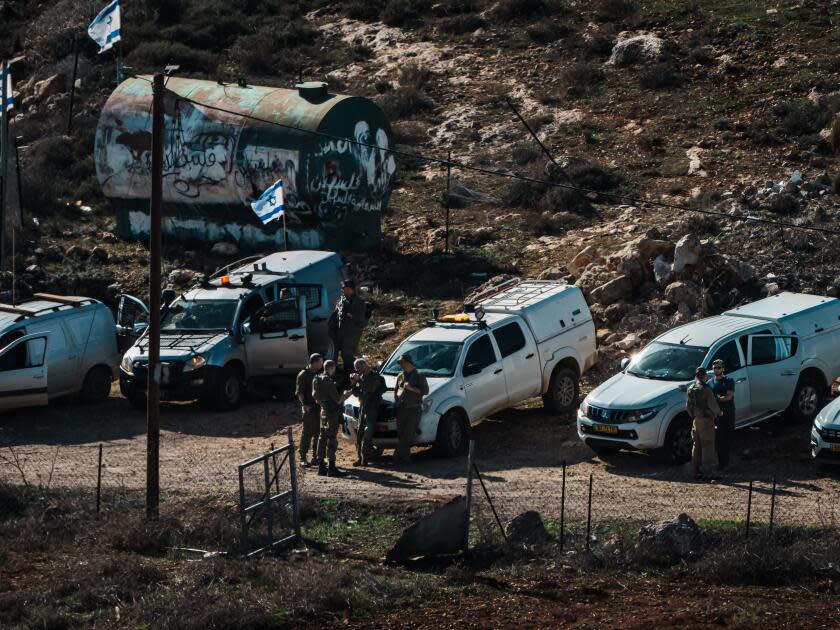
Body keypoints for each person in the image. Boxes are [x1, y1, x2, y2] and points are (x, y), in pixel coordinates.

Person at [312, 360, 352, 477]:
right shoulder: (328, 381)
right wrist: (349, 392)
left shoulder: (317, 379)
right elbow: (338, 400)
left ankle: (321, 467)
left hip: (323, 412)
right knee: (332, 439)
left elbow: (316, 398)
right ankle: (332, 468)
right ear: (332, 368)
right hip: (331, 413)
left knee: (322, 437)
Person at [686, 366, 722, 480]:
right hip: (706, 421)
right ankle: (707, 472)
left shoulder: (691, 388)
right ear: (705, 376)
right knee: (707, 445)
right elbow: (713, 405)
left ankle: (695, 470)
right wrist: (719, 412)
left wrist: (694, 416)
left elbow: (688, 406)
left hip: (696, 420)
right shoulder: (706, 390)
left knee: (696, 445)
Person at [350, 358, 387, 467]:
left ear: (364, 365)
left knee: (367, 433)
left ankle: (365, 458)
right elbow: (357, 393)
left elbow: (371, 388)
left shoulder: (375, 376)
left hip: (372, 408)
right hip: (363, 408)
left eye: (358, 368)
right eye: (356, 369)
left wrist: (359, 381)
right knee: (360, 433)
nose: (357, 371)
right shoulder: (361, 378)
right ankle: (360, 457)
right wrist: (353, 384)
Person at [393, 354, 429, 466]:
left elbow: (425, 391)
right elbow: (396, 392)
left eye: (402, 363)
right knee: (401, 434)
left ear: (409, 362)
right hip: (401, 409)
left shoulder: (419, 375)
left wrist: (411, 388)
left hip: (413, 409)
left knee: (408, 434)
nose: (401, 365)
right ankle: (405, 457)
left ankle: (398, 456)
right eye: (400, 363)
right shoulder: (400, 376)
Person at [330, 280, 367, 377]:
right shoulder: (343, 300)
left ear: (350, 289)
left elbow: (360, 318)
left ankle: (350, 378)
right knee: (333, 354)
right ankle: (334, 375)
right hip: (339, 333)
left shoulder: (359, 302)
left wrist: (348, 314)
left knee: (347, 357)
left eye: (344, 288)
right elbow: (336, 313)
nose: (342, 290)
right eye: (342, 288)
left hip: (351, 334)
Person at [295, 353, 324, 467]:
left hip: (319, 407)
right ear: (315, 362)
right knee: (307, 432)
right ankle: (303, 456)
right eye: (321, 362)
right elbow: (300, 392)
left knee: (318, 432)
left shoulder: (319, 373)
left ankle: (315, 456)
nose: (322, 364)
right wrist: (304, 405)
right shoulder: (303, 375)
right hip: (309, 407)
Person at [710, 358, 735, 471]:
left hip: (728, 413)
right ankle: (721, 463)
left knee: (727, 438)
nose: (716, 369)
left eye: (719, 367)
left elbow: (729, 396)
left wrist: (718, 399)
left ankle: (726, 462)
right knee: (719, 439)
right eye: (715, 367)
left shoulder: (729, 381)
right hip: (717, 415)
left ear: (723, 369)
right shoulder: (710, 382)